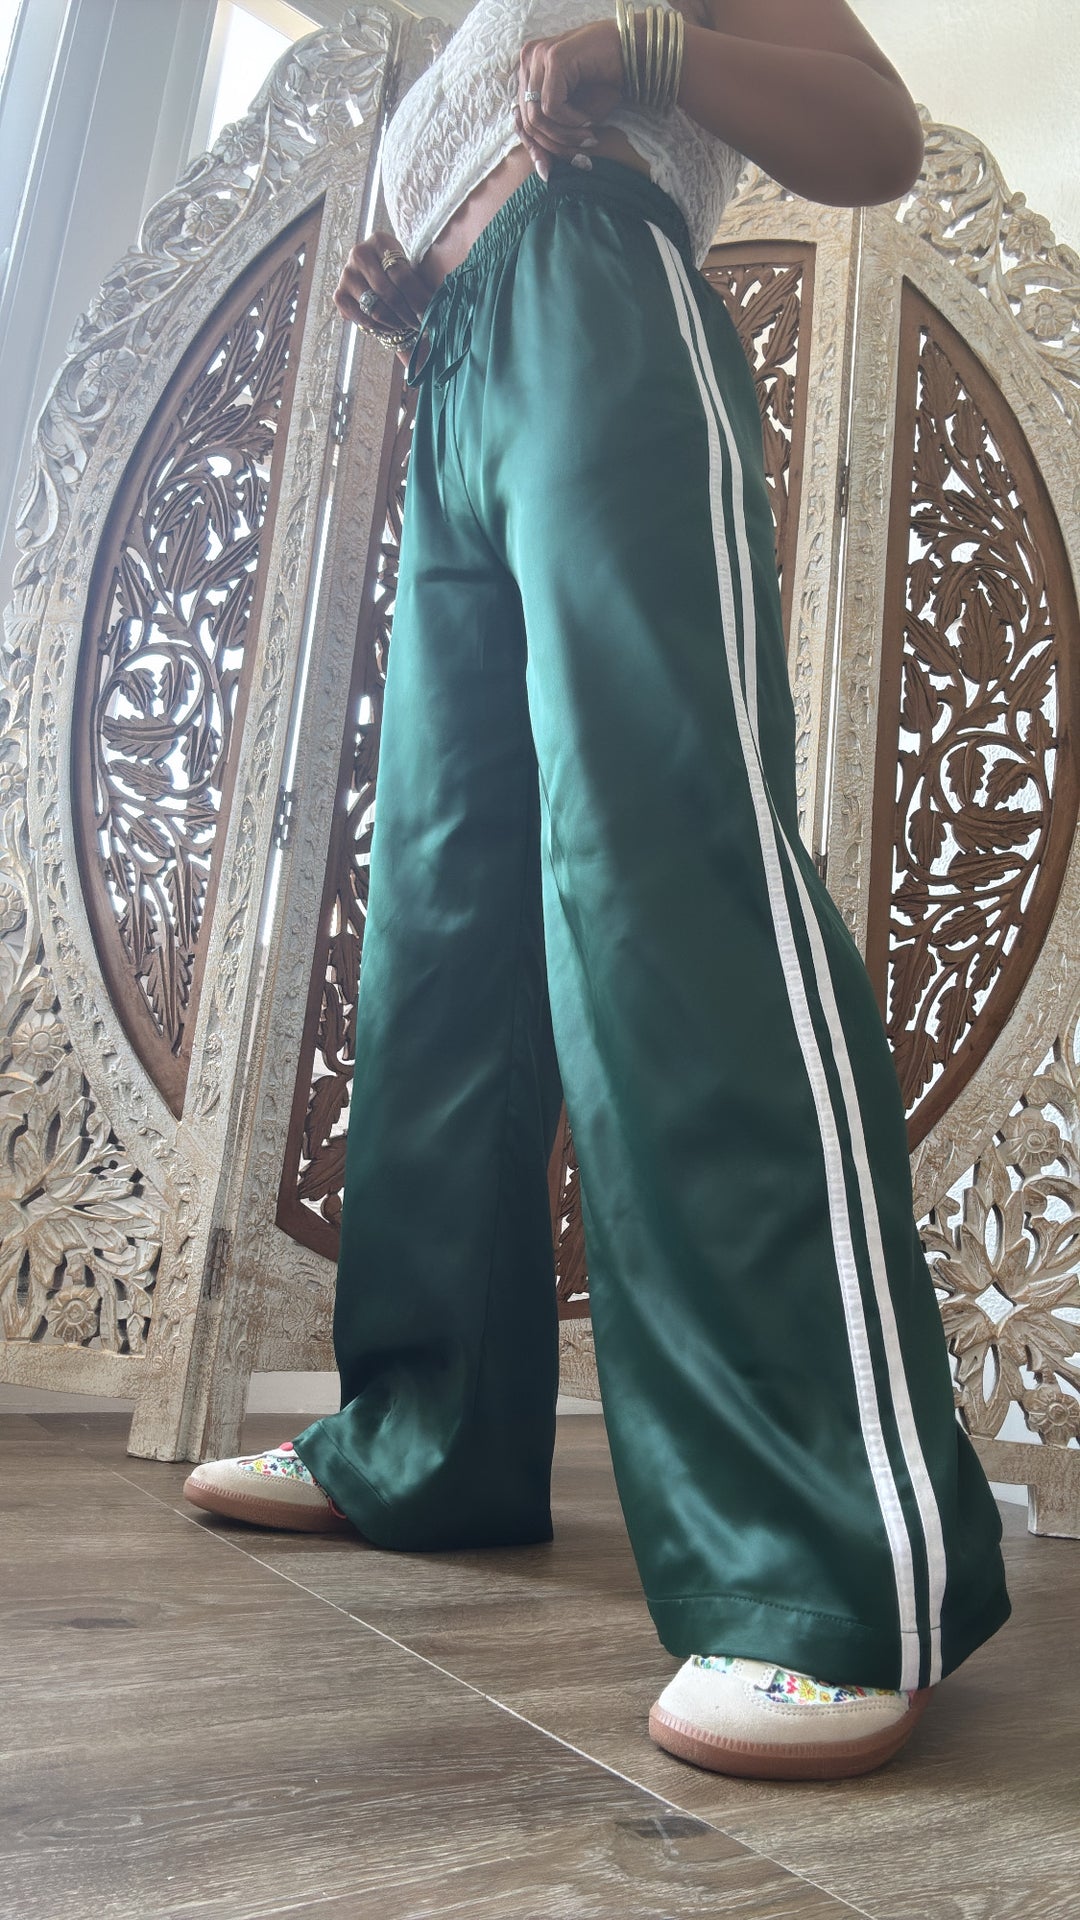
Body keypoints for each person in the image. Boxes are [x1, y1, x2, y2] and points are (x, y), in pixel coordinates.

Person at [184, 0, 1011, 1780]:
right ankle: (426, 1438)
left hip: (594, 312)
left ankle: (825, 1565)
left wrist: (647, 48)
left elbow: (874, 137)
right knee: (441, 922)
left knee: (660, 877)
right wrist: (418, 274)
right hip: (458, 375)